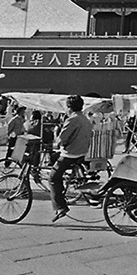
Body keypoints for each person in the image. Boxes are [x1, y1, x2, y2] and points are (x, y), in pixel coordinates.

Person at [51, 95, 93, 223]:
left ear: (69, 107)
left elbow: (62, 140)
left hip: (70, 154)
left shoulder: (72, 120)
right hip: (82, 153)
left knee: (53, 178)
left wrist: (55, 134)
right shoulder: (85, 119)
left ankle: (60, 206)